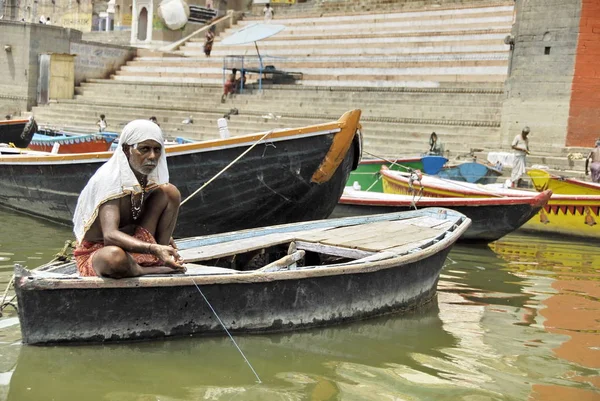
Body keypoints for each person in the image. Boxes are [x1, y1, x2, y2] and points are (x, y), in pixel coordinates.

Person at [72, 120, 184, 278]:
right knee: (114, 257)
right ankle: (142, 269)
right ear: (126, 150)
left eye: (157, 150)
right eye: (144, 149)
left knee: (169, 192)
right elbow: (110, 236)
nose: (152, 156)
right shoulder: (110, 179)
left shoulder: (147, 179)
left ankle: (162, 258)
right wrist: (152, 248)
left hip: (136, 246)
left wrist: (160, 244)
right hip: (100, 252)